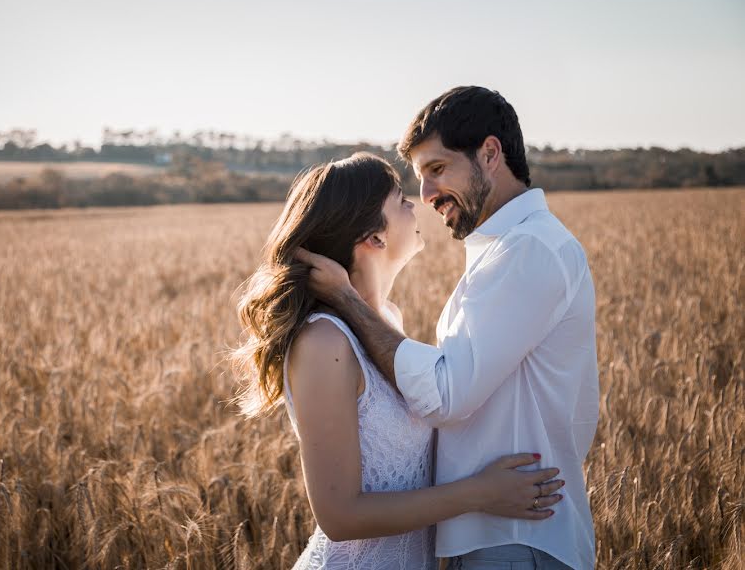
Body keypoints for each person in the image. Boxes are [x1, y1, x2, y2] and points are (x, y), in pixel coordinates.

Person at [295, 87, 599, 569]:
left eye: (436, 170)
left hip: (517, 536)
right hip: (490, 532)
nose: (426, 196)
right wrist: (473, 496)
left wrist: (349, 301)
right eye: (414, 184)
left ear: (490, 154)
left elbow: (444, 392)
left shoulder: (529, 250)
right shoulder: (504, 252)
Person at [231, 152, 565, 570]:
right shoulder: (324, 342)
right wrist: (482, 493)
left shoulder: (388, 320)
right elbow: (339, 515)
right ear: (375, 236)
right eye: (402, 201)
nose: (419, 204)